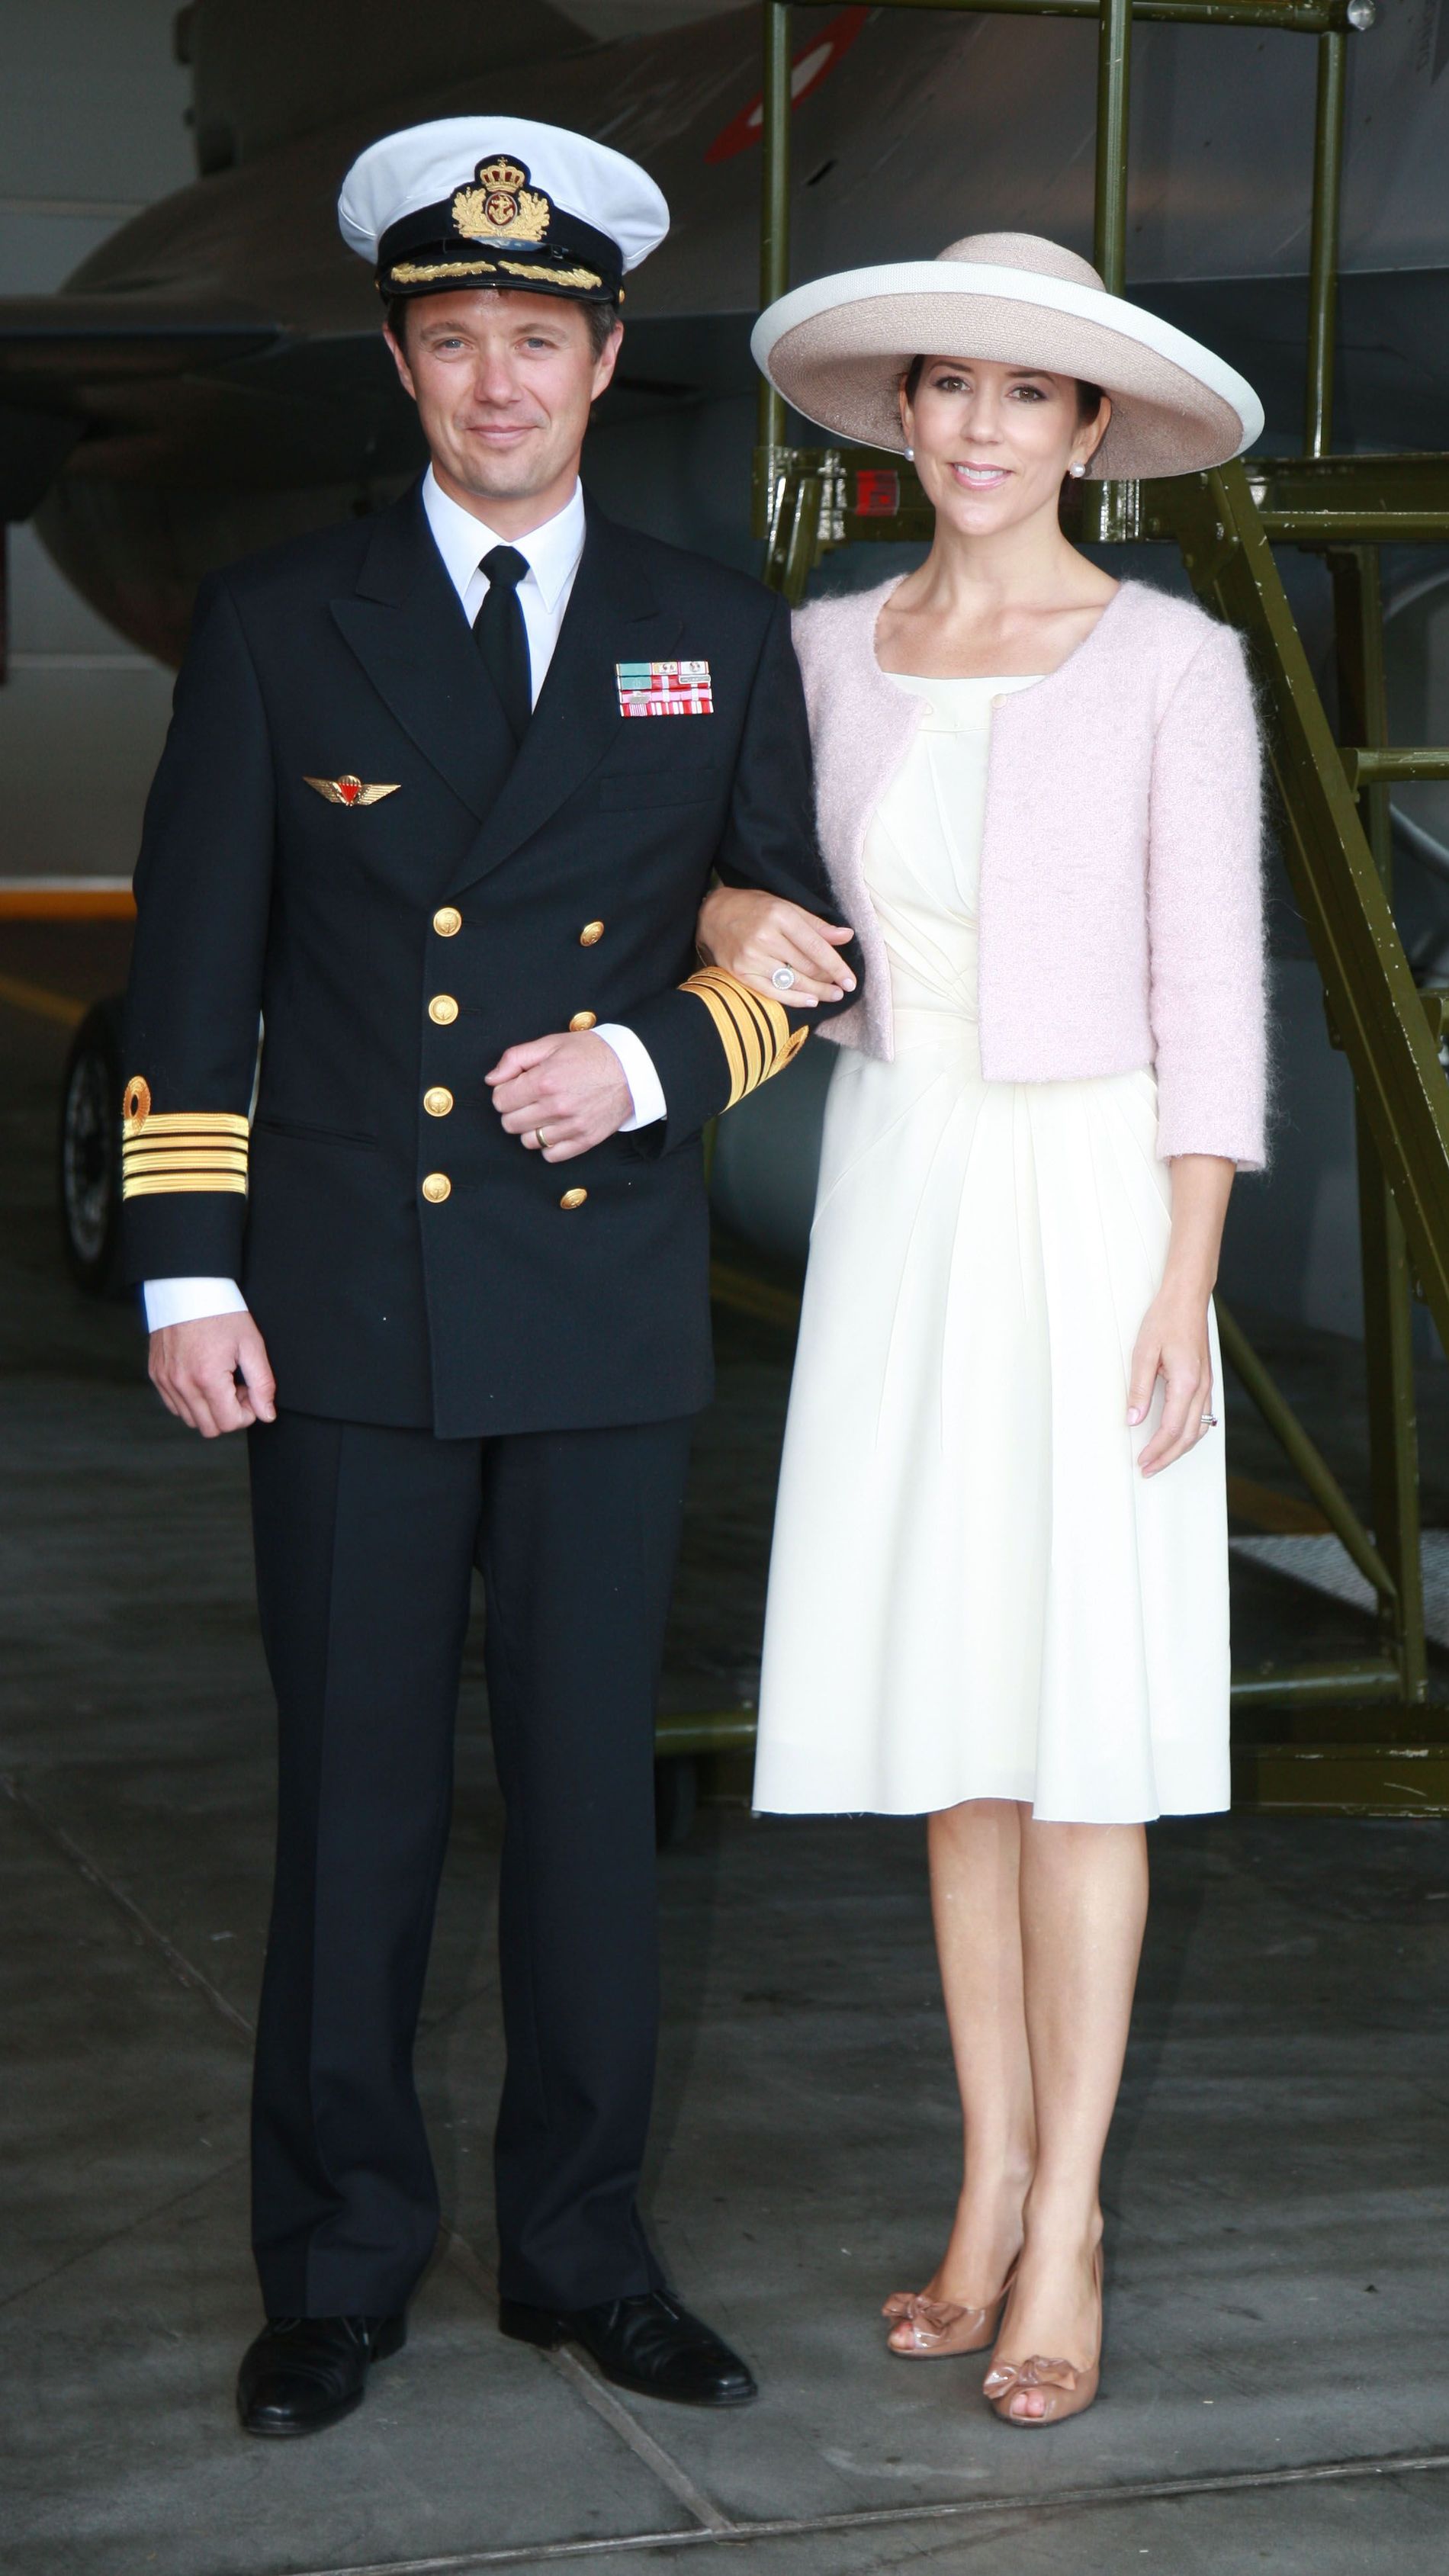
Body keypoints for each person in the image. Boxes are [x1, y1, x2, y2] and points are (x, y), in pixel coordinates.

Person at [120, 114, 859, 2437]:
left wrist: (648, 1062)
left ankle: (581, 2249)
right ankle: (334, 2262)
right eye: (456, 342)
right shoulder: (274, 626)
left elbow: (798, 949)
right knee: (351, 1812)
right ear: (403, 361)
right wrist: (180, 1280)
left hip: (596, 1306)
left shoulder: (709, 634)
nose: (499, 381)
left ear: (603, 354)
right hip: (337, 1306)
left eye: (538, 340)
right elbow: (189, 979)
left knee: (582, 1813)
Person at [696, 234, 1266, 2428]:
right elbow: (739, 883)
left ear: (1087, 436)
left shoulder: (1166, 663)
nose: (979, 428)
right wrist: (726, 910)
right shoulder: (822, 649)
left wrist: (1182, 1273)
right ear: (899, 415)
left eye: (1027, 398)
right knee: (953, 1735)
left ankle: (1070, 2225)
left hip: (1092, 1194)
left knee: (1083, 1740)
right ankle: (983, 2173)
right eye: (946, 387)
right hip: (902, 1191)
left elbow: (1208, 989)